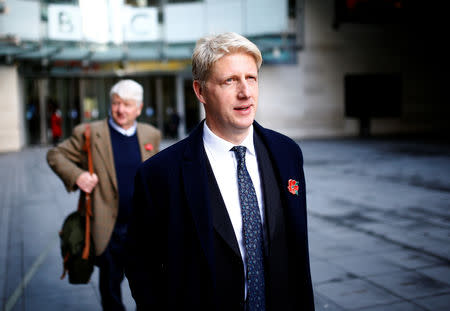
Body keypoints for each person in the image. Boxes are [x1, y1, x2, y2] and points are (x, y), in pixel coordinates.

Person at [125, 33, 315, 310]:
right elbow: (142, 267)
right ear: (200, 91)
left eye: (251, 78)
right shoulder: (158, 175)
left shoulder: (287, 153)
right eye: (230, 81)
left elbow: (297, 254)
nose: (245, 92)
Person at [47, 79, 161, 311]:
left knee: (149, 290)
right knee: (110, 292)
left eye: (127, 105)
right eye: (116, 103)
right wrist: (78, 176)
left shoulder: (151, 135)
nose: (120, 109)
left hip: (143, 229)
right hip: (108, 229)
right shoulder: (89, 133)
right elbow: (55, 155)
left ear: (138, 108)